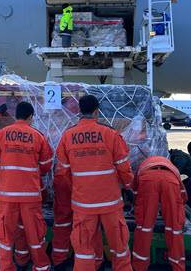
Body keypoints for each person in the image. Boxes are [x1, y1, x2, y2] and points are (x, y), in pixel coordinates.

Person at [56, 95, 133, 271]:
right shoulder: (110, 134)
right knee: (120, 249)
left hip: (83, 203)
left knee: (83, 251)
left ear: (79, 112)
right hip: (110, 203)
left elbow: (63, 173)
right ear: (97, 111)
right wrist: (127, 186)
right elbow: (124, 168)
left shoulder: (68, 136)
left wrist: (78, 188)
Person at [0, 101, 53, 271]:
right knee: (35, 234)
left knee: (6, 236)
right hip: (30, 196)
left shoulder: (1, 134)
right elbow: (46, 165)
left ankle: (8, 267)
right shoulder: (38, 136)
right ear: (31, 117)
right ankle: (40, 266)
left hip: (6, 196)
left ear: (16, 116)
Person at [132, 156, 187, 271]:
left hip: (147, 180)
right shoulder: (172, 167)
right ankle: (178, 267)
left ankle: (139, 266)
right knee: (175, 228)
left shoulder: (142, 166)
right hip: (171, 181)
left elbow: (136, 194)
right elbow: (182, 197)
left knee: (144, 227)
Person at [52, 153, 105, 271]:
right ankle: (96, 262)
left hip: (65, 176)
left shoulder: (65, 137)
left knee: (62, 222)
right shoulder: (98, 136)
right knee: (90, 223)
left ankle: (59, 261)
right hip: (84, 177)